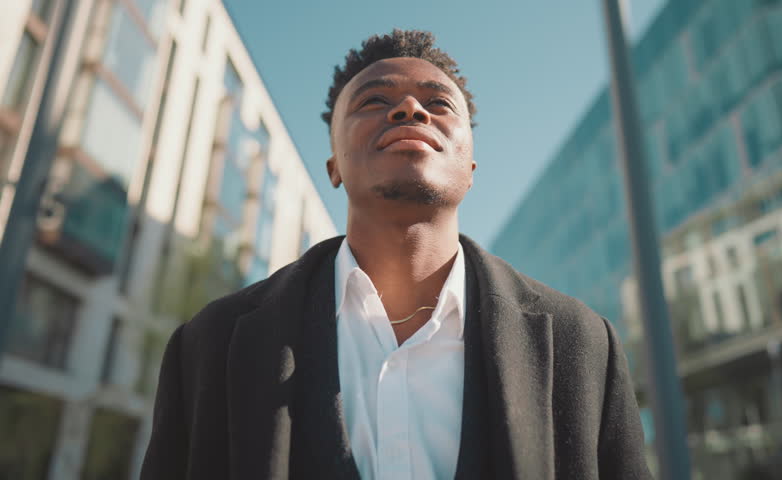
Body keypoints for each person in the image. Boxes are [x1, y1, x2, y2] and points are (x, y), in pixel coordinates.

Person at [141, 29, 651, 480]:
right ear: (334, 164)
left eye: (439, 103)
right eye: (373, 101)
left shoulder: (584, 344)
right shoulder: (210, 343)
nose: (411, 110)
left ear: (471, 166)